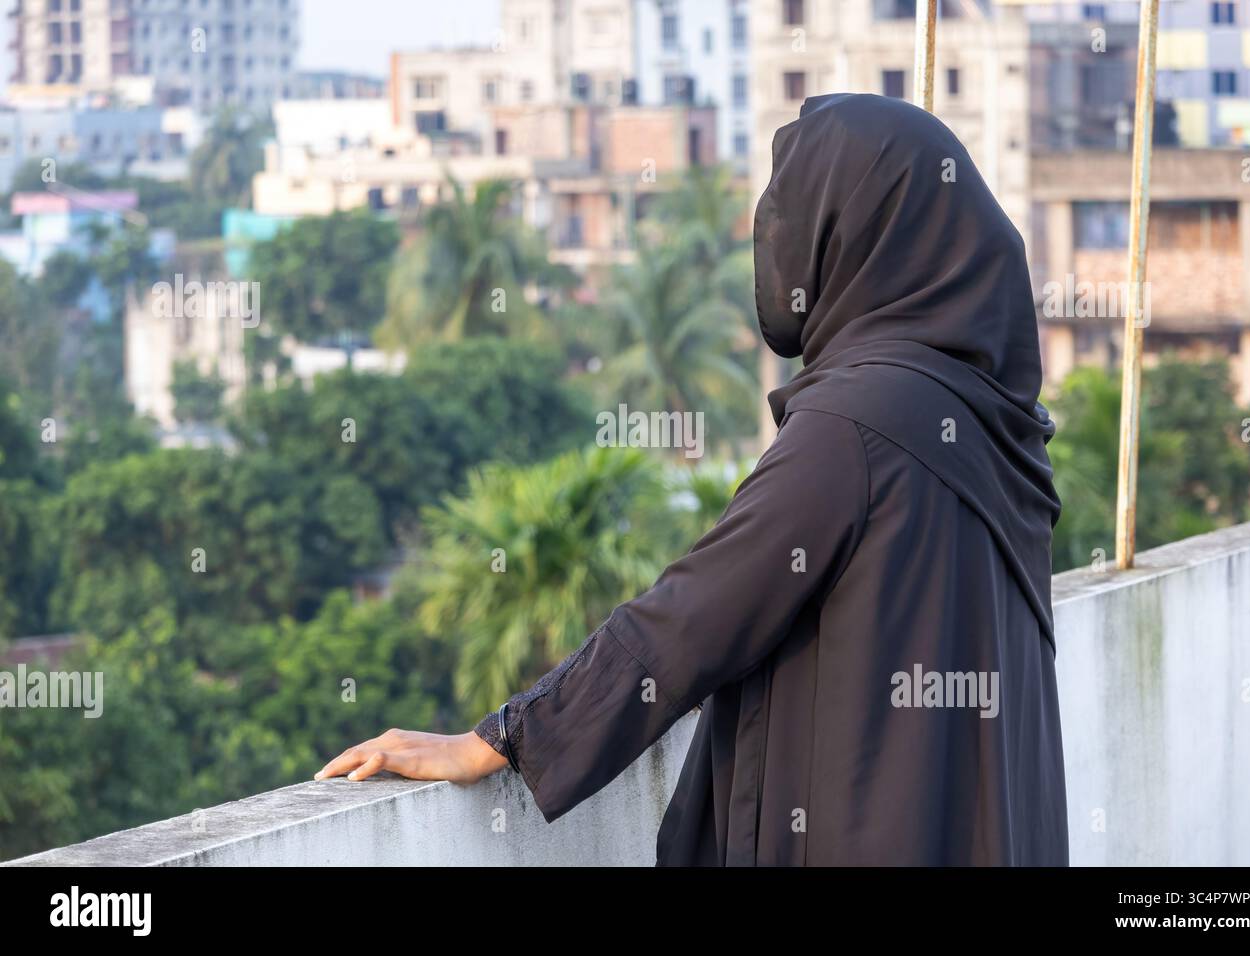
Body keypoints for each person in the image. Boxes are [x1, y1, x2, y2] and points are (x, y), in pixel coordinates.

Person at [316, 93, 1069, 866]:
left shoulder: (860, 421)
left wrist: (499, 740)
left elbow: (697, 611)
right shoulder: (992, 422)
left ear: (850, 231)